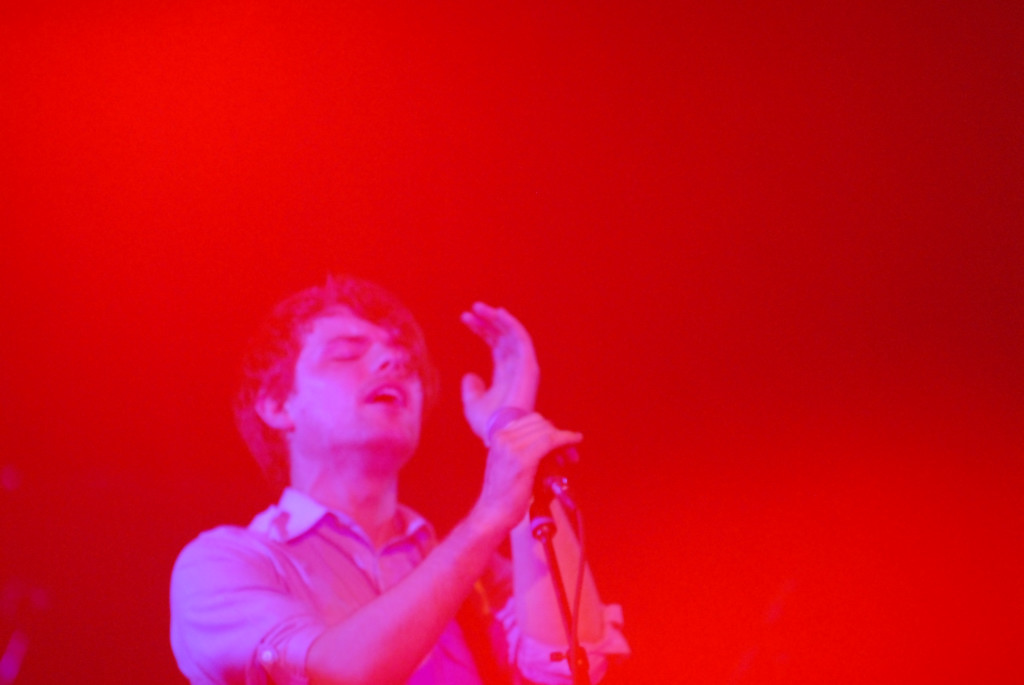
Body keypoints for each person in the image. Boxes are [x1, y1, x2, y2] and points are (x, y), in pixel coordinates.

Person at [170, 275, 629, 684]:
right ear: (277, 405)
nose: (392, 360)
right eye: (347, 354)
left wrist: (511, 428)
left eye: (404, 360)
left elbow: (569, 666)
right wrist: (488, 518)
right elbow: (337, 674)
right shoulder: (227, 564)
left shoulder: (477, 574)